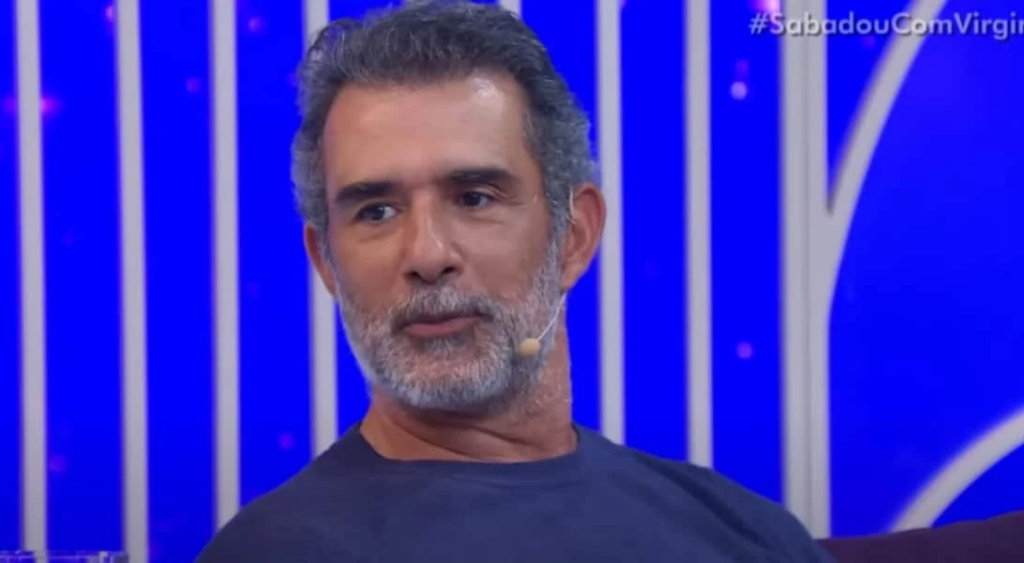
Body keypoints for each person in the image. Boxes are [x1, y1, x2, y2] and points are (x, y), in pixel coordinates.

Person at [196, 1, 834, 561]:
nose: (427, 254)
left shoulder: (742, 529)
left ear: (574, 236)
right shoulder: (278, 551)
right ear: (326, 263)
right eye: (377, 211)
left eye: (474, 198)